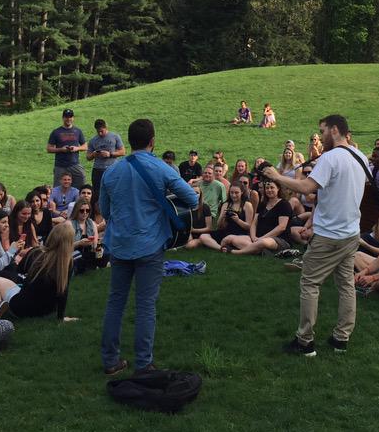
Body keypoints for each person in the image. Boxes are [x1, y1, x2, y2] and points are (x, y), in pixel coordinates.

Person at [263, 113, 367, 356]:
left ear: (333, 130)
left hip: (330, 236)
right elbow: (334, 193)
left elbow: (307, 188)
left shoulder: (330, 158)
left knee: (310, 283)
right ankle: (341, 339)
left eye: (322, 131)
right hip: (351, 233)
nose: (320, 137)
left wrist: (276, 177)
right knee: (346, 285)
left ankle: (305, 342)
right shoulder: (360, 157)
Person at [99, 118, 197, 375]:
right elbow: (192, 198)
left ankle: (110, 361)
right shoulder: (161, 168)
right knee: (145, 305)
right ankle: (144, 363)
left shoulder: (111, 171)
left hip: (119, 244)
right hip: (150, 244)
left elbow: (105, 211)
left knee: (115, 302)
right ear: (153, 141)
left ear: (129, 141)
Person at [0, 222, 76, 321]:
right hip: (46, 310)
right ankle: (0, 309)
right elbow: (63, 292)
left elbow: (19, 270)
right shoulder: (66, 263)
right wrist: (61, 317)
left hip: (21, 308)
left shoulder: (37, 253)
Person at [221, 179, 292, 256]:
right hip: (258, 237)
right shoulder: (263, 204)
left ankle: (235, 252)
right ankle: (260, 251)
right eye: (267, 188)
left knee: (262, 243)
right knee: (228, 238)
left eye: (272, 187)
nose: (269, 190)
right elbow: (254, 223)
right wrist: (253, 237)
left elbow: (281, 227)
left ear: (278, 188)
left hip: (278, 239)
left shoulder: (284, 204)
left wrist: (262, 238)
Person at [86, 119, 124, 215]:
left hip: (112, 168)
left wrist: (110, 154)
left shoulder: (115, 136)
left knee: (114, 191)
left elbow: (122, 152)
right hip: (98, 169)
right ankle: (98, 214)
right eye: (98, 131)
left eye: (102, 131)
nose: (100, 133)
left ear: (106, 127)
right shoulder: (93, 140)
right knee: (98, 193)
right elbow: (88, 157)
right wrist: (94, 154)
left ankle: (115, 211)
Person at [47, 109, 87, 190]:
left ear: (73, 118)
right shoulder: (56, 132)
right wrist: (61, 149)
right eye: (66, 117)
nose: (68, 119)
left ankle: (78, 202)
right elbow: (49, 148)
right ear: (63, 118)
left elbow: (85, 146)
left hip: (74, 164)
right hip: (60, 165)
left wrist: (77, 148)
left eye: (70, 117)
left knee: (81, 181)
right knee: (58, 189)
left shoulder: (78, 131)